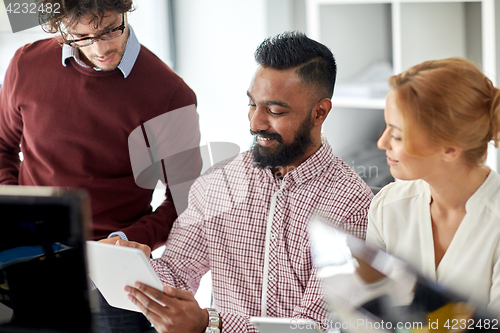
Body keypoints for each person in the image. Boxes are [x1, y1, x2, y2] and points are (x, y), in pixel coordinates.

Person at [119, 31, 374, 333]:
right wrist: (131, 264)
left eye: (274, 111)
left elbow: (314, 327)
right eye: (252, 104)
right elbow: (176, 270)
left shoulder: (353, 203)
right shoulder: (219, 182)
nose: (255, 123)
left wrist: (209, 323)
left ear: (319, 112)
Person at [0, 0, 201, 332]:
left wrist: (126, 240)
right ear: (61, 26)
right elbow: (3, 148)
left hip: (114, 280)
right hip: (30, 262)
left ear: (126, 9)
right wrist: (17, 213)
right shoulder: (26, 65)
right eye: (82, 37)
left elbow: (185, 201)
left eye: (111, 30)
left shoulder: (170, 95)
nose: (101, 48)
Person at [367, 57, 500, 315]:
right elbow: (370, 316)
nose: (382, 143)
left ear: (449, 148)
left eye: (396, 135)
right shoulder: (387, 207)